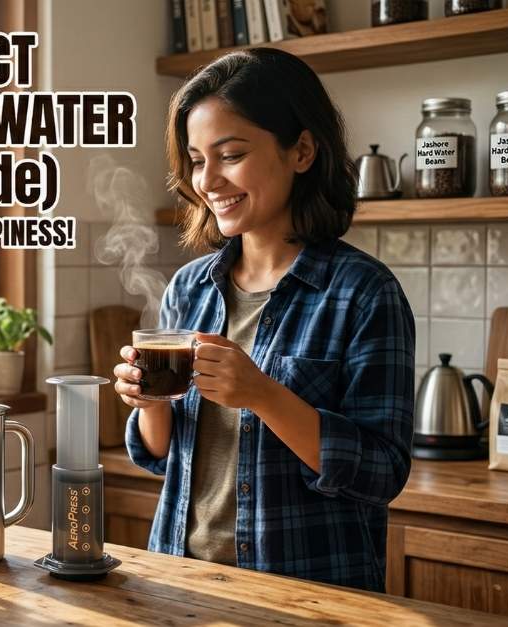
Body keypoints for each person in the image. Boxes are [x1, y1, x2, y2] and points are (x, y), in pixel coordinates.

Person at [112, 48, 415, 592]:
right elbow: (161, 457)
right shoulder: (190, 287)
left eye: (229, 155)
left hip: (307, 594)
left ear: (301, 150)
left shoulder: (363, 293)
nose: (208, 180)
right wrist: (147, 399)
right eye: (197, 160)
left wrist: (262, 394)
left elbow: (381, 473)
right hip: (181, 581)